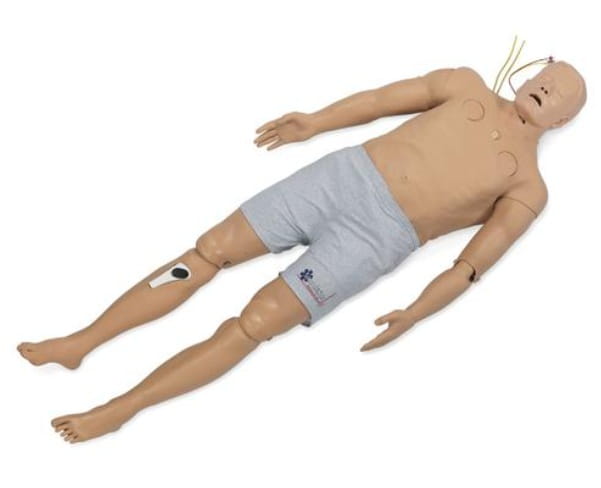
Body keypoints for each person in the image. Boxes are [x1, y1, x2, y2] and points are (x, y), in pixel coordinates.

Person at [17, 60, 587, 443]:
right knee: (209, 250)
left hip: (377, 241)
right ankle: (80, 342)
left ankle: (121, 408)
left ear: (564, 119)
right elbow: (381, 101)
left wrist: (417, 311)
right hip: (341, 177)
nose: (547, 88)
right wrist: (315, 122)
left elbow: (470, 267)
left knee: (254, 324)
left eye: (560, 93)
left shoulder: (528, 187)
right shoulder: (464, 84)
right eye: (548, 76)